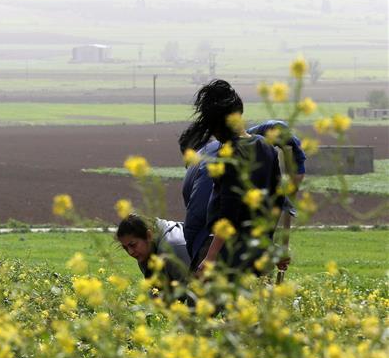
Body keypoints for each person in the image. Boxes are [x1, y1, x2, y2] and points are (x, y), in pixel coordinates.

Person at [178, 80, 283, 278]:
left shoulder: (230, 154)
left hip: (228, 252)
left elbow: (228, 214)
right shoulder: (266, 147)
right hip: (258, 249)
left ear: (216, 126)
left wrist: (210, 258)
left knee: (198, 297)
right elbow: (277, 199)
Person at [182, 119, 306, 279]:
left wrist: (201, 258)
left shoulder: (216, 162)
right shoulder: (242, 149)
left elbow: (198, 222)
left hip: (223, 239)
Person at [116, 214, 192, 304]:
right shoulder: (144, 253)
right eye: (125, 248)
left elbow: (193, 292)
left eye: (133, 245)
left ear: (149, 236)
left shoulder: (172, 248)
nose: (130, 252)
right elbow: (157, 293)